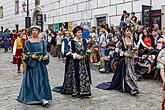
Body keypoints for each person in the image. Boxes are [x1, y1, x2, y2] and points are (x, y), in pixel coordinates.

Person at [96, 28, 139, 95]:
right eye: (127, 31)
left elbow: (135, 48)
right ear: (124, 32)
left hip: (131, 60)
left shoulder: (132, 40)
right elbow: (117, 50)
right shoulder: (121, 41)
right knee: (127, 74)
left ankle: (134, 87)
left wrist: (134, 51)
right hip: (124, 60)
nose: (129, 32)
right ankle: (131, 88)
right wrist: (124, 53)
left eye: (130, 31)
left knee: (132, 73)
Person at [17, 25, 52, 105]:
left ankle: (44, 97)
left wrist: (46, 56)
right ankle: (36, 97)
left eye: (36, 30)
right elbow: (25, 54)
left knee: (42, 81)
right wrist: (31, 56)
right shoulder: (28, 42)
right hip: (32, 65)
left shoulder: (42, 41)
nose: (34, 32)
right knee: (34, 81)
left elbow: (45, 52)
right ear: (31, 32)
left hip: (41, 65)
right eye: (33, 30)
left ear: (38, 32)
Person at [52, 26, 92, 97]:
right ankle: (76, 91)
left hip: (83, 62)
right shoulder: (72, 42)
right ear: (75, 33)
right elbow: (68, 52)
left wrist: (87, 54)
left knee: (84, 76)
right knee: (76, 76)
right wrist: (75, 55)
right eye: (78, 32)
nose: (80, 33)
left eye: (81, 32)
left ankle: (85, 91)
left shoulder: (84, 40)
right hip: (75, 63)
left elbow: (87, 49)